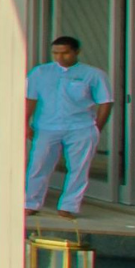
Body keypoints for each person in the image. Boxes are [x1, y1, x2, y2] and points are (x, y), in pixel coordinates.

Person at [25, 35, 113, 219]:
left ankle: (69, 206)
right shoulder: (40, 73)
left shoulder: (93, 74)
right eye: (56, 53)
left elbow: (105, 101)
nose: (60, 57)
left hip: (81, 127)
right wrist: (24, 123)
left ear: (76, 52)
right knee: (38, 165)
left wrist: (97, 127)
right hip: (47, 127)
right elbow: (30, 99)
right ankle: (31, 203)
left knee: (78, 168)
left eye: (65, 53)